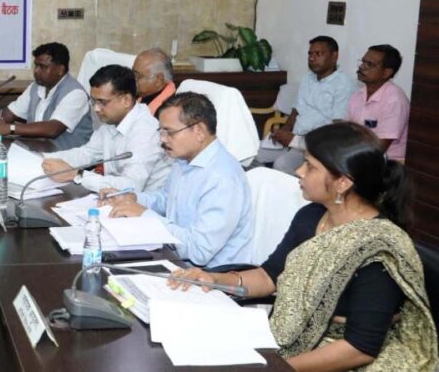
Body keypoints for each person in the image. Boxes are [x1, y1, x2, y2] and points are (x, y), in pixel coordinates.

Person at [170, 122, 436, 371]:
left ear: (343, 182)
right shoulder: (311, 216)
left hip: (349, 358)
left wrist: (277, 367)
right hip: (296, 342)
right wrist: (215, 279)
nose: (299, 171)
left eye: (310, 166)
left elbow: (360, 348)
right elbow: (269, 276)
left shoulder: (379, 248)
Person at [102, 92, 254, 268]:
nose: (162, 139)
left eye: (169, 132)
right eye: (161, 131)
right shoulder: (184, 160)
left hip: (210, 276)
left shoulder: (223, 178)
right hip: (174, 259)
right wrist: (132, 199)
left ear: (199, 131)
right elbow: (168, 200)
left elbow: (199, 251)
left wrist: (145, 216)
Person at [42, 65, 170, 192]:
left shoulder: (146, 132)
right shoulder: (111, 123)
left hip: (143, 202)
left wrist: (76, 175)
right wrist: (43, 159)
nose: (96, 109)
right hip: (113, 198)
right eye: (94, 101)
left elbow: (132, 185)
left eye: (102, 102)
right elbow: (86, 154)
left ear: (126, 100)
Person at [258, 36, 357, 174]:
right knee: (251, 153)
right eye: (310, 54)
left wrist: (296, 140)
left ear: (334, 56)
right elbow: (297, 109)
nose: (312, 58)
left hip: (316, 147)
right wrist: (284, 130)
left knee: (282, 165)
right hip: (293, 140)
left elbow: (337, 128)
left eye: (318, 54)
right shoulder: (307, 78)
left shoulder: (344, 84)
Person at [0, 42, 93, 149]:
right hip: (40, 150)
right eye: (36, 65)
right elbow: (9, 114)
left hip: (68, 155)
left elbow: (52, 129)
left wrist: (9, 128)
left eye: (43, 67)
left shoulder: (75, 93)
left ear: (60, 70)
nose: (36, 71)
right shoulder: (36, 87)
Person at [347, 44, 409, 162]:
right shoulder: (357, 95)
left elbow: (379, 148)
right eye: (363, 62)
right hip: (360, 156)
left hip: (389, 163)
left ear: (386, 73)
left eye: (369, 64)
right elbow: (348, 131)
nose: (362, 67)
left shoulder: (394, 100)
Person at [131, 48, 176, 115]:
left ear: (158, 80)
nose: (132, 78)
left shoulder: (167, 112)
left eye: (137, 75)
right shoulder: (141, 94)